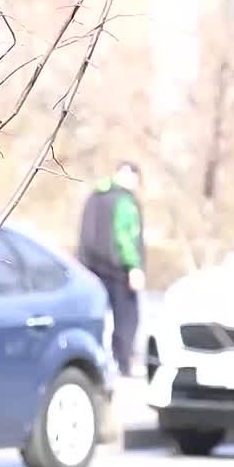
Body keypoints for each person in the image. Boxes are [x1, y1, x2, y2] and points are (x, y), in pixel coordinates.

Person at [77, 161, 145, 376]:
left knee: (93, 318)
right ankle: (122, 365)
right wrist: (134, 266)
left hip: (90, 268)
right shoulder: (124, 201)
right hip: (118, 271)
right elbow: (125, 236)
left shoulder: (95, 196)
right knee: (127, 319)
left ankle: (90, 366)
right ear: (129, 176)